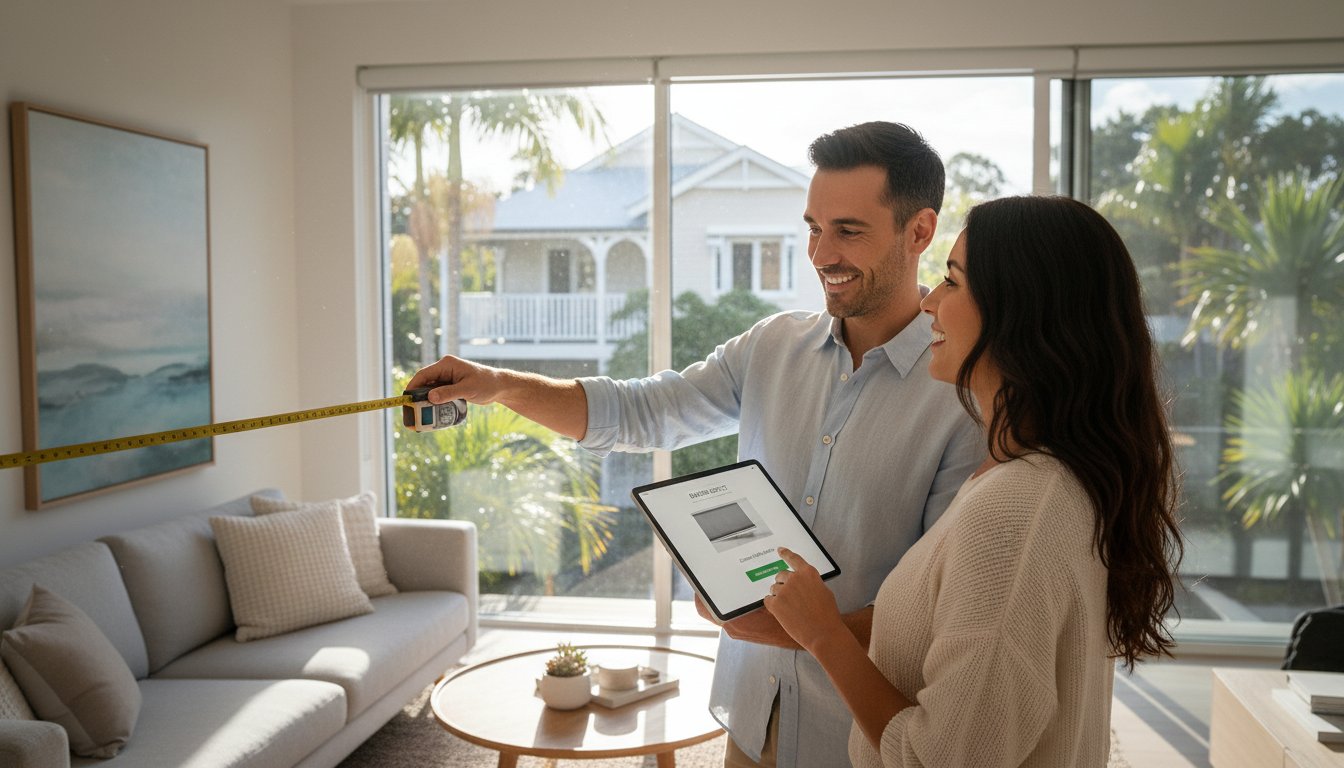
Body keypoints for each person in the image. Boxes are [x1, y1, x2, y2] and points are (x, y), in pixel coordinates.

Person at [406, 121, 985, 768]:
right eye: (813, 229)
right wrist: (498, 384)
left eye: (848, 231)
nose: (822, 254)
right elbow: (640, 410)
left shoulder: (962, 402)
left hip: (854, 741)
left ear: (920, 233)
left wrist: (785, 629)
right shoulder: (771, 345)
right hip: (749, 715)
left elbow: (931, 607)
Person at [762, 195, 1185, 767]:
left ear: (1022, 311)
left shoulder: (1016, 509)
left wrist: (824, 636)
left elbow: (946, 759)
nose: (931, 301)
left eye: (953, 282)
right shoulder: (1035, 477)